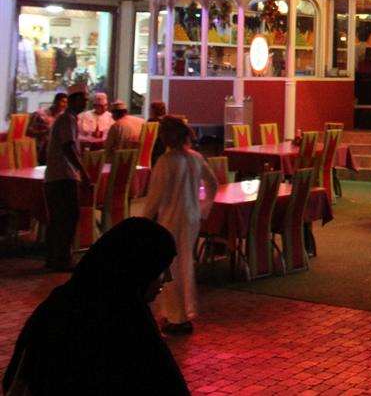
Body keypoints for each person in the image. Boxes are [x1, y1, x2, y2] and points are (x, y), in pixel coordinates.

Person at [3, 217, 188, 396]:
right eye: (160, 269)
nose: (168, 278)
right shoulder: (126, 322)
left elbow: (16, 376)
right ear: (138, 268)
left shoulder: (62, 301)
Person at [142, 115, 217, 335]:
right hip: (191, 218)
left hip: (171, 220)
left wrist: (144, 222)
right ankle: (183, 312)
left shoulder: (166, 162)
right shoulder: (195, 158)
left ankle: (176, 316)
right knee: (185, 265)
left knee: (171, 269)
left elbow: (154, 198)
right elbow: (212, 183)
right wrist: (203, 209)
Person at [43, 87, 93, 271]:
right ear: (74, 100)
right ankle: (61, 258)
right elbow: (68, 147)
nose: (86, 102)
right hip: (63, 175)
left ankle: (54, 257)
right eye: (83, 99)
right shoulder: (67, 120)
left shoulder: (68, 119)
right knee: (67, 217)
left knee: (59, 218)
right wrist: (83, 172)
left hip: (59, 175)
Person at [25, 92, 67, 165]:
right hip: (40, 150)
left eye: (67, 103)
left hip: (56, 152)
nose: (65, 105)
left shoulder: (63, 117)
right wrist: (45, 132)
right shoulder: (40, 114)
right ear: (55, 101)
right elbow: (28, 132)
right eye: (63, 102)